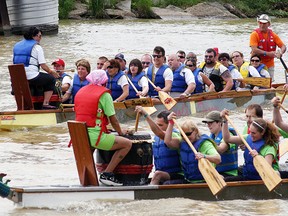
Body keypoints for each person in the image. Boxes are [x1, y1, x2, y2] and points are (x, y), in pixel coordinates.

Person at [74, 69, 132, 186]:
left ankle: (86, 179)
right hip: (95, 137)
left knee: (92, 146)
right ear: (104, 81)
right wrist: (121, 132)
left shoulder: (80, 91)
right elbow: (113, 119)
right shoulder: (104, 95)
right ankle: (107, 174)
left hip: (80, 136)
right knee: (127, 144)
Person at [221, 110, 280, 181]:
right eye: (250, 131)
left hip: (261, 179)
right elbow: (227, 139)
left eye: (254, 133)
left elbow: (267, 170)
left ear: (262, 132)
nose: (251, 135)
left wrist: (258, 156)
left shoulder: (269, 147)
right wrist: (224, 121)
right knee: (225, 179)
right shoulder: (248, 137)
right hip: (248, 175)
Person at [164, 112, 221, 183]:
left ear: (195, 131)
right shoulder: (182, 142)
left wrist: (204, 156)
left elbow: (218, 159)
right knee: (167, 183)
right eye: (182, 135)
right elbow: (167, 142)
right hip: (189, 180)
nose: (186, 137)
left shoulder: (204, 143)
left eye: (188, 134)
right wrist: (171, 123)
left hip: (204, 181)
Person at [13, 26, 59, 109]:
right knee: (50, 79)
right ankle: (46, 103)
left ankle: (20, 106)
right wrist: (51, 72)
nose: (40, 38)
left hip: (17, 76)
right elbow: (43, 66)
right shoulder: (37, 47)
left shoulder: (16, 45)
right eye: (39, 36)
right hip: (31, 76)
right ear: (33, 36)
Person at [135, 106, 183, 185]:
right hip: (162, 173)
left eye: (160, 125)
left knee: (157, 175)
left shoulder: (174, 135)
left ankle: (148, 196)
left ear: (169, 125)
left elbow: (158, 132)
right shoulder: (156, 138)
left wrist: (145, 114)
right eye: (157, 125)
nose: (158, 127)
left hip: (177, 174)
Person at [250, 14, 286, 81]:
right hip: (256, 63)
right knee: (257, 82)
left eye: (264, 23)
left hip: (270, 64)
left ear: (269, 24)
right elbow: (254, 49)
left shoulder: (273, 35)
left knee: (269, 82)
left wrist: (280, 52)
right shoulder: (254, 34)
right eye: (260, 23)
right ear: (258, 23)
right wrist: (268, 53)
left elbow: (283, 46)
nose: (262, 25)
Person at [202, 111, 238, 178]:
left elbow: (221, 149)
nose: (208, 125)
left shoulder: (229, 134)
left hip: (229, 174)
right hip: (217, 172)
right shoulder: (212, 137)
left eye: (211, 123)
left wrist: (206, 143)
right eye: (207, 123)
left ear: (219, 122)